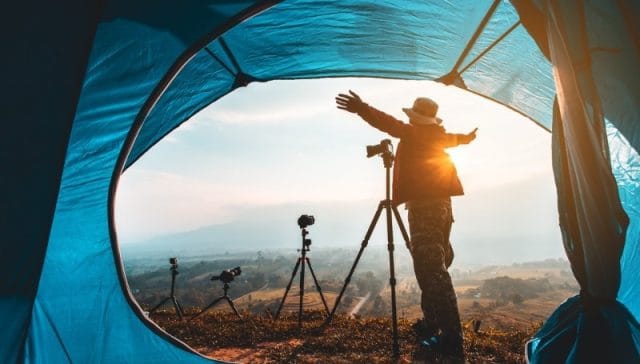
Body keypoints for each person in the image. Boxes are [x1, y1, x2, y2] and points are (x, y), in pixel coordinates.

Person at [336, 90, 477, 360]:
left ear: (416, 118)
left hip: (425, 207)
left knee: (431, 269)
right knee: (432, 264)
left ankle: (450, 338)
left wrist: (361, 108)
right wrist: (467, 138)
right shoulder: (436, 135)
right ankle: (432, 323)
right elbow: (454, 139)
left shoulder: (414, 133)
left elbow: (388, 123)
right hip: (442, 207)